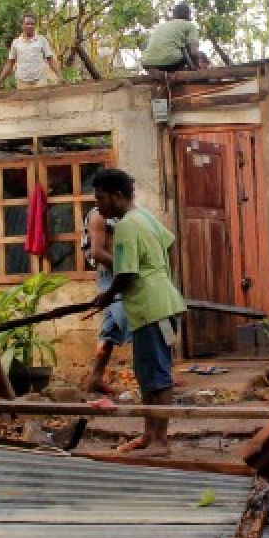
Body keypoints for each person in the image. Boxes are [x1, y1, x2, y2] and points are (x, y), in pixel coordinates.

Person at [89, 168, 186, 456]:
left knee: (157, 377)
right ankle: (149, 435)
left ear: (117, 195)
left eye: (101, 198)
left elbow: (127, 274)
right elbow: (170, 244)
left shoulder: (127, 226)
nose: (99, 206)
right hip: (160, 302)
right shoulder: (144, 217)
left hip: (150, 308)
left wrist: (106, 296)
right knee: (147, 376)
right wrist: (160, 274)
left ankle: (160, 442)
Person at [81, 205, 130, 396]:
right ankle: (154, 375)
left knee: (112, 326)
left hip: (121, 272)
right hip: (112, 274)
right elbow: (97, 252)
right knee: (123, 320)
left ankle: (95, 379)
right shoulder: (98, 216)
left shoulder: (123, 214)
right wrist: (127, 268)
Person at [0, 14, 62, 89]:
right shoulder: (16, 42)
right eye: (27, 23)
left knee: (41, 100)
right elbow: (10, 63)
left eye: (32, 24)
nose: (30, 26)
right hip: (22, 82)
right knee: (24, 100)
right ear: (22, 25)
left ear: (35, 26)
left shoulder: (42, 40)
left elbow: (50, 59)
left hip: (40, 81)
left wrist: (60, 76)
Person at [141, 3, 208, 73]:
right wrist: (197, 66)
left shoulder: (161, 26)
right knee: (186, 51)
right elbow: (193, 52)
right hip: (170, 63)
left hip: (146, 63)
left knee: (180, 48)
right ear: (189, 15)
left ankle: (156, 70)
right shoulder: (190, 25)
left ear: (174, 15)